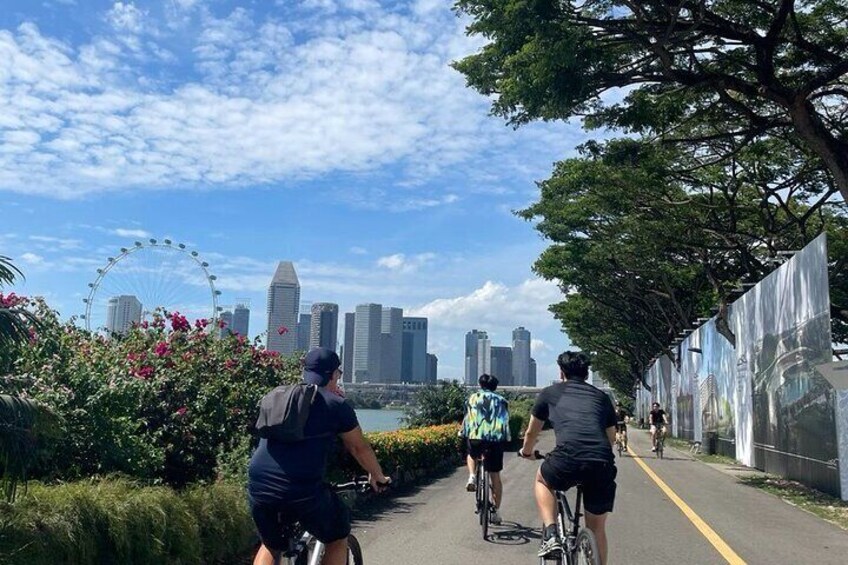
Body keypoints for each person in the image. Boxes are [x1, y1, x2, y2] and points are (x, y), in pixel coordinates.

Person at [248, 348, 391, 565]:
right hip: (302, 491)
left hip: (259, 486)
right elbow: (359, 449)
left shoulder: (277, 396)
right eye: (338, 375)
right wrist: (377, 476)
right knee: (337, 536)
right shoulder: (335, 404)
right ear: (333, 375)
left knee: (271, 543)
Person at [519, 352, 617, 565]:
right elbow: (612, 438)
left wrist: (527, 452)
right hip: (601, 460)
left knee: (542, 479)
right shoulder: (601, 397)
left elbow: (531, 433)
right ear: (587, 373)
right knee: (597, 527)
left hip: (567, 457)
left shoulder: (549, 393)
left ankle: (551, 533)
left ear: (561, 372)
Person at [461, 373, 511, 526]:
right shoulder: (502, 401)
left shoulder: (472, 398)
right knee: (495, 475)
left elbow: (468, 417)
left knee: (471, 454)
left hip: (476, 437)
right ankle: (495, 512)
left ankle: (472, 476)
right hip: (495, 439)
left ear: (480, 385)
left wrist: (463, 432)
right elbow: (504, 421)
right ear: (495, 387)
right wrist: (507, 438)